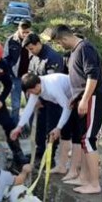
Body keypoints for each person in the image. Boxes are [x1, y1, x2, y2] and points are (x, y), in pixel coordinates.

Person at [50, 25, 102, 195]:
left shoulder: (85, 48)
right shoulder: (75, 51)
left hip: (93, 98)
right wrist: (74, 99)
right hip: (84, 99)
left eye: (60, 43)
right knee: (84, 139)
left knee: (89, 139)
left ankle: (94, 184)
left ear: (64, 38)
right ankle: (84, 177)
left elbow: (93, 76)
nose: (61, 46)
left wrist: (84, 99)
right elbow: (79, 79)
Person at [10, 73, 74, 175]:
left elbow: (67, 107)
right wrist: (19, 127)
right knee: (65, 134)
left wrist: (58, 127)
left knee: (75, 133)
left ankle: (80, 165)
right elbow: (29, 108)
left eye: (31, 91)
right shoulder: (36, 87)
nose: (32, 94)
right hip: (66, 101)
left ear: (37, 86)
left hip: (75, 98)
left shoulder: (52, 86)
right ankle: (62, 166)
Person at [21, 32, 65, 164]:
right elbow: (30, 75)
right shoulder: (33, 57)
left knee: (51, 127)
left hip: (53, 100)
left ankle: (50, 158)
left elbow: (53, 84)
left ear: (38, 43)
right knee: (40, 127)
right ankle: (39, 152)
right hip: (40, 99)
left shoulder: (52, 58)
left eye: (31, 49)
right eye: (29, 50)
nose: (31, 52)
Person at [3, 20, 33, 124]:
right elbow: (5, 59)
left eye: (27, 32)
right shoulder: (11, 40)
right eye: (23, 31)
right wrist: (9, 73)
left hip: (30, 77)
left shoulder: (33, 40)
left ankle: (28, 128)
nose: (25, 34)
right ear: (18, 29)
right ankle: (15, 127)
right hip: (15, 77)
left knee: (31, 104)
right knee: (16, 105)